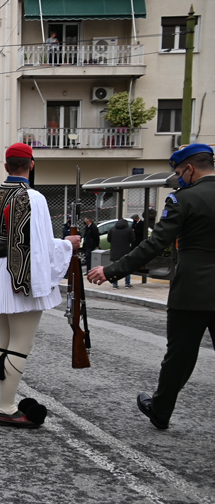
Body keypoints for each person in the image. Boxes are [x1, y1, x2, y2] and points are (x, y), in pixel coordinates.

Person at [88, 144, 215, 430]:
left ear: (190, 169)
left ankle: (160, 411)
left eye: (179, 172)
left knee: (179, 358)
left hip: (192, 293)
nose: (179, 178)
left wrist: (111, 270)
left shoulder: (183, 199)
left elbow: (154, 244)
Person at [0, 143, 79, 428]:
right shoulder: (34, 197)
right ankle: (6, 407)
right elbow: (42, 246)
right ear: (32, 165)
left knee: (4, 341)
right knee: (20, 343)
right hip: (23, 277)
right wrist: (68, 245)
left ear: (6, 166)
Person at [107, 218, 135, 289]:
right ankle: (127, 283)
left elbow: (109, 239)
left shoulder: (112, 229)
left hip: (115, 251)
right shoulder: (129, 229)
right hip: (125, 251)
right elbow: (132, 240)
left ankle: (115, 284)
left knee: (115, 268)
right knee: (127, 268)